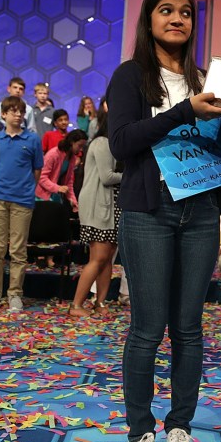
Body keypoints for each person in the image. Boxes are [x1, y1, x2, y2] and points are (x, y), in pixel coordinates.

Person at [107, 0, 221, 442]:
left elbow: (218, 142)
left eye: (186, 12)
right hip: (150, 210)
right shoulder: (131, 75)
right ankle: (139, 435)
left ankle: (180, 429)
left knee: (189, 329)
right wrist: (185, 110)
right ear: (149, 19)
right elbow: (122, 143)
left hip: (202, 210)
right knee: (148, 329)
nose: (177, 19)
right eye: (166, 10)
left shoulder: (207, 78)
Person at [0, 95, 43, 313]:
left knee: (18, 250)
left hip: (22, 200)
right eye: (13, 111)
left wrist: (27, 190)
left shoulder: (32, 139)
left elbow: (37, 170)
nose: (18, 114)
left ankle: (15, 294)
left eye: (21, 111)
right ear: (4, 114)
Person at [70, 106, 121, 317]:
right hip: (98, 205)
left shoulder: (113, 144)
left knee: (107, 258)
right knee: (98, 257)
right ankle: (76, 305)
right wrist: (133, 176)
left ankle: (100, 302)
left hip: (111, 205)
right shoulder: (102, 142)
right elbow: (107, 177)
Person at [36, 129, 86, 211]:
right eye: (79, 146)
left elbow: (69, 182)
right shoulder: (53, 154)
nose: (81, 149)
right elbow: (41, 177)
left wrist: (73, 200)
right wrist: (57, 188)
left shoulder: (72, 158)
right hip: (41, 197)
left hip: (55, 197)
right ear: (71, 142)